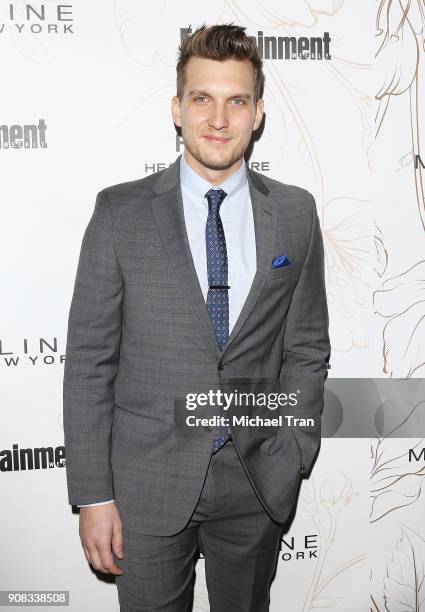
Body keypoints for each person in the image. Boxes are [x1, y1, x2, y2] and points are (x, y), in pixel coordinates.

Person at [63, 23, 331, 612]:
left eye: (236, 100)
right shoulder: (120, 213)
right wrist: (92, 495)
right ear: (177, 109)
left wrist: (292, 454)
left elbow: (306, 347)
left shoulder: (294, 213)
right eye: (202, 98)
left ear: (257, 113)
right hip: (146, 484)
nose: (218, 117)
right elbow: (89, 361)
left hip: (257, 479)